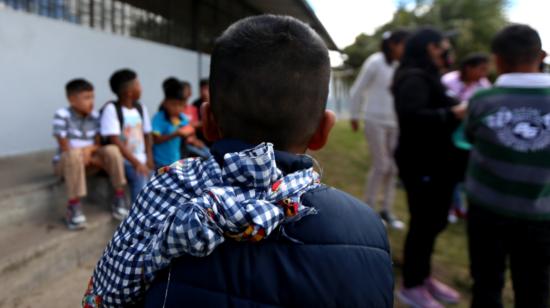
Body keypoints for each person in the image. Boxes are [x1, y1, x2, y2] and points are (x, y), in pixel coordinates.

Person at [83, 15, 393, 308]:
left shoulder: (163, 193)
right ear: (323, 131)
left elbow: (106, 295)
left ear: (207, 122)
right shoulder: (369, 230)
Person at [465, 24, 550, 308]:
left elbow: (469, 136)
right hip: (542, 216)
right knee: (535, 288)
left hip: (486, 211)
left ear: (497, 60)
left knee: (487, 283)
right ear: (542, 55)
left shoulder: (482, 100)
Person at [392, 27, 466, 308]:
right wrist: (452, 113)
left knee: (434, 221)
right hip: (421, 163)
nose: (447, 51)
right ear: (430, 48)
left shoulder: (430, 77)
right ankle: (411, 284)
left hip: (439, 164)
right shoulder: (413, 78)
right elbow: (412, 119)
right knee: (423, 224)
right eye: (443, 46)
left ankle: (423, 276)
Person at [349, 29, 410, 230]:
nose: (406, 48)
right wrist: (354, 114)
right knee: (381, 165)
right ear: (393, 44)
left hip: (395, 122)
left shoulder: (400, 65)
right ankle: (369, 210)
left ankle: (386, 210)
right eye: (404, 44)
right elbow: (357, 89)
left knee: (393, 168)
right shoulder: (375, 62)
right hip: (374, 120)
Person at [53, 79, 128, 229]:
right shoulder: (62, 115)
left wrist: (89, 152)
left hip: (90, 160)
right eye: (86, 98)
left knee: (112, 150)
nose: (91, 101)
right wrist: (84, 153)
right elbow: (64, 147)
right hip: (67, 163)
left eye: (92, 97)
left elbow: (98, 143)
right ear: (72, 99)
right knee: (73, 155)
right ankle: (73, 208)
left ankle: (119, 197)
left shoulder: (95, 116)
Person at [442, 53, 491, 223]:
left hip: (467, 137)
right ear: (469, 67)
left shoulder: (483, 86)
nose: (484, 73)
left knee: (462, 174)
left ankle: (458, 206)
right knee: (448, 172)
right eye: (482, 69)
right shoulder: (448, 81)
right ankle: (450, 207)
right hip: (447, 135)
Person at [100, 69, 153, 204]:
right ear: (129, 92)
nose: (141, 88)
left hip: (142, 159)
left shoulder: (140, 107)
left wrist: (149, 158)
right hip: (125, 161)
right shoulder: (111, 109)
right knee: (140, 179)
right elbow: (115, 140)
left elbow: (147, 134)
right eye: (138, 84)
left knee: (156, 180)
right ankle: (138, 217)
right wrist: (136, 163)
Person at [152, 78, 196, 168]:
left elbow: (190, 129)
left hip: (178, 162)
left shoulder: (182, 118)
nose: (177, 108)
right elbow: (155, 140)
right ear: (165, 103)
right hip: (160, 163)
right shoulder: (159, 118)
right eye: (173, 104)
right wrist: (175, 134)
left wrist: (189, 132)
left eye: (180, 105)